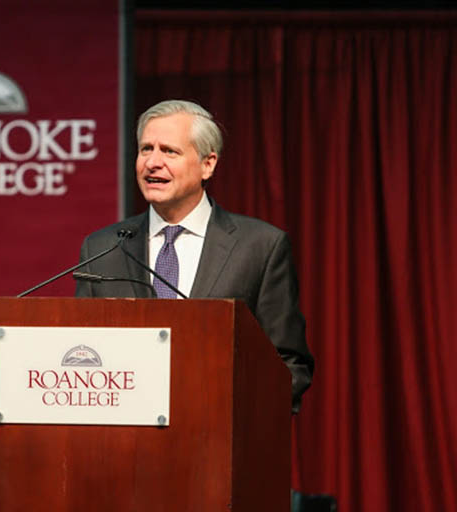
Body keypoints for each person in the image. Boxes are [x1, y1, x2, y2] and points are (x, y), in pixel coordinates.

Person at [75, 100, 314, 412]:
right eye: (146, 149)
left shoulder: (260, 247)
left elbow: (288, 365)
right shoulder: (102, 248)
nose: (152, 162)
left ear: (208, 164)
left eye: (169, 151)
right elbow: (82, 356)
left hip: (218, 443)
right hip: (122, 446)